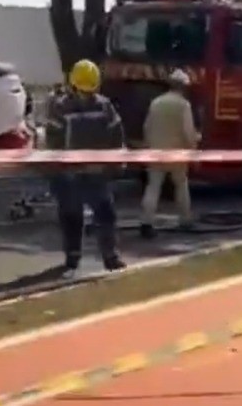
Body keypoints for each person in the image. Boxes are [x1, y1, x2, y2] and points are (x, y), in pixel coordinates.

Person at [43, 59, 127, 273]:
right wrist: (56, 168)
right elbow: (53, 140)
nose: (87, 95)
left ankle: (110, 255)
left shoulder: (103, 106)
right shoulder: (62, 107)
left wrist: (117, 161)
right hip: (71, 174)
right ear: (74, 86)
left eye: (89, 91)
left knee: (105, 214)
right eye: (83, 90)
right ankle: (73, 257)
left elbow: (116, 135)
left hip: (95, 172)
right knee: (72, 216)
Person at [139, 69, 200, 238]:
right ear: (183, 87)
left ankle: (146, 223)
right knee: (181, 185)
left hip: (156, 152)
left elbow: (147, 127)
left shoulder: (156, 102)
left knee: (153, 187)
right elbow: (188, 132)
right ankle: (185, 220)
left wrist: (148, 146)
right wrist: (194, 148)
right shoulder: (184, 105)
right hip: (177, 153)